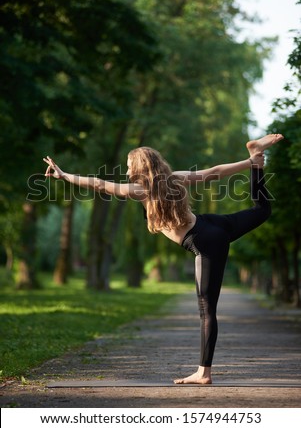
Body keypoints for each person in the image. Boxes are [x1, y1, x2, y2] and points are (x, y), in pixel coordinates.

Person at [43, 133, 284, 384]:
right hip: (213, 225)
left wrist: (65, 175)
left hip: (204, 241)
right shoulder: (174, 178)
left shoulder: (140, 191)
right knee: (262, 209)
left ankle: (204, 373)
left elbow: (99, 184)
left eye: (128, 166)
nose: (126, 170)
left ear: (138, 167)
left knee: (207, 310)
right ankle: (256, 157)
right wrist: (250, 162)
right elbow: (215, 172)